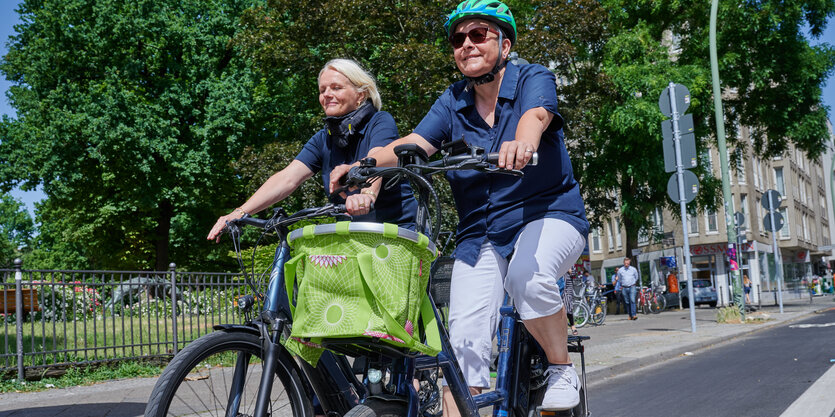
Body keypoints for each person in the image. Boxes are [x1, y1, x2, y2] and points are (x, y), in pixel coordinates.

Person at [330, 0, 589, 411]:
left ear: (504, 46)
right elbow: (412, 143)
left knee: (528, 276)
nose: (466, 44)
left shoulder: (532, 78)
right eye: (458, 38)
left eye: (478, 35)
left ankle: (560, 368)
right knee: (463, 333)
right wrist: (363, 165)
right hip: (481, 231)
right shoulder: (452, 101)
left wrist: (522, 142)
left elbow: (537, 116)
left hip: (548, 213)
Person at [207, 58, 417, 241]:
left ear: (360, 95)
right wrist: (239, 212)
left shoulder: (380, 121)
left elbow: (376, 161)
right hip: (352, 239)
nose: (327, 95)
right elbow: (288, 178)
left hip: (396, 236)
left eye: (336, 88)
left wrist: (367, 195)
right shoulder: (322, 139)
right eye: (322, 90)